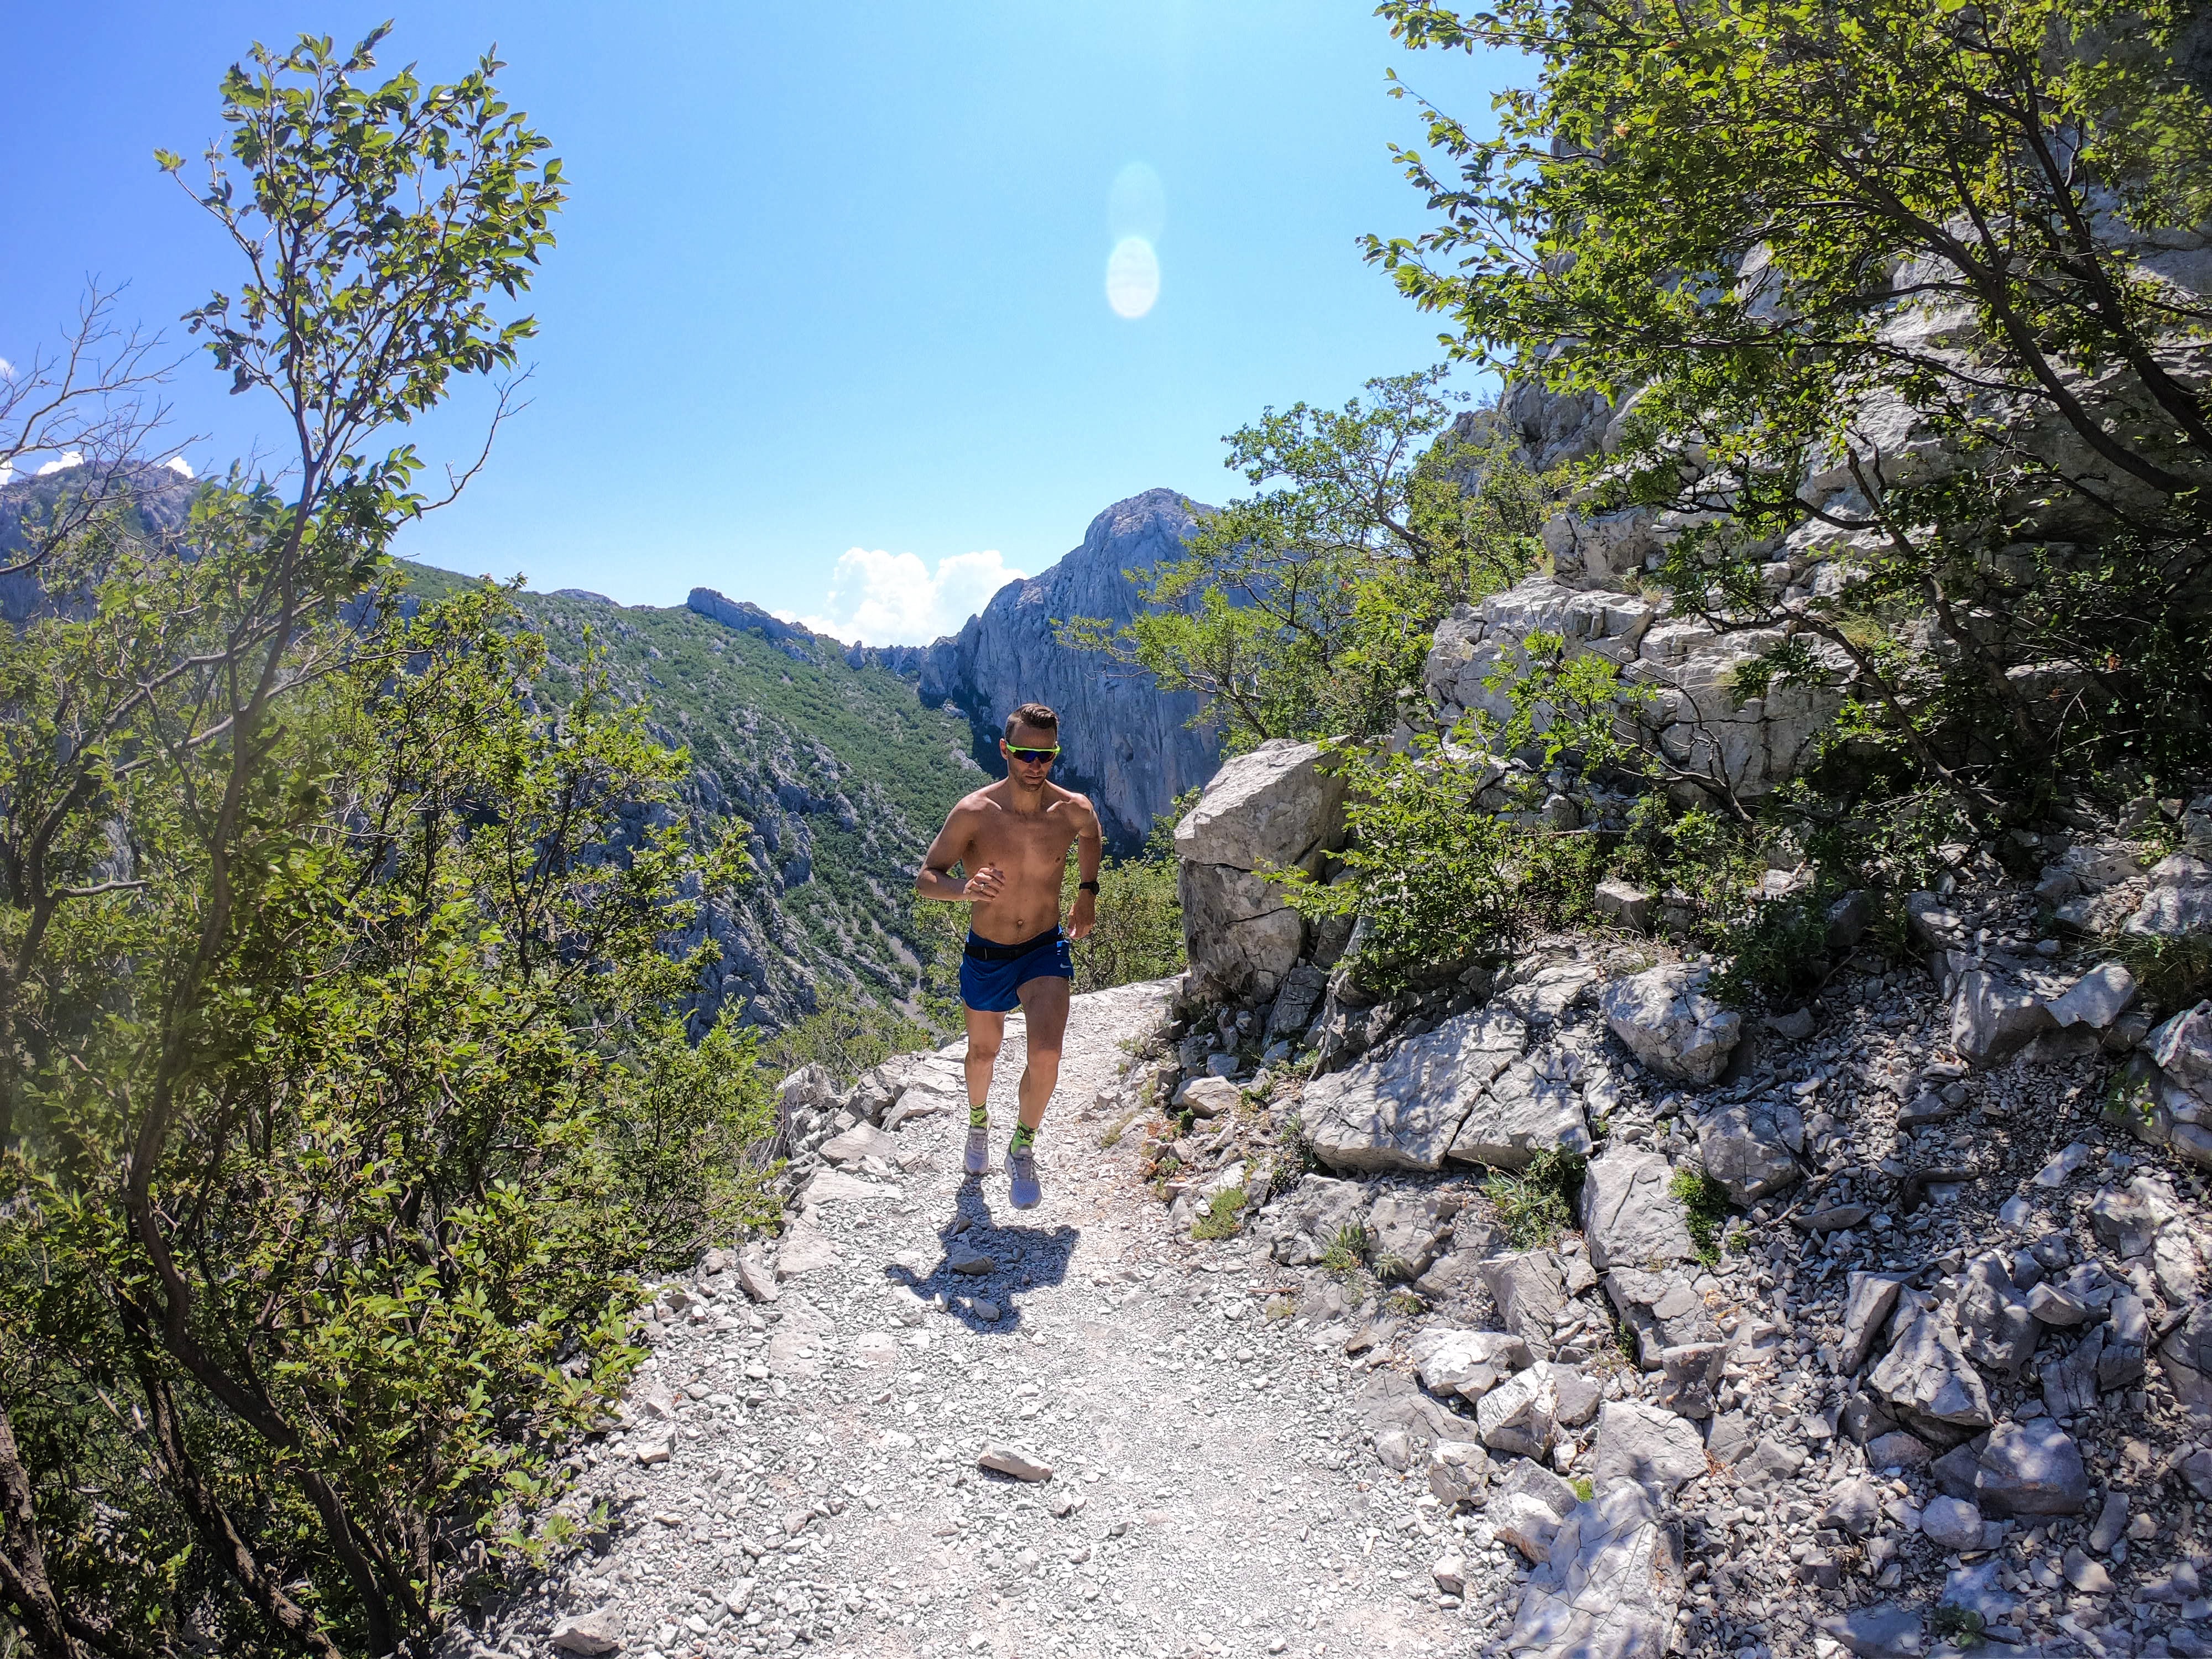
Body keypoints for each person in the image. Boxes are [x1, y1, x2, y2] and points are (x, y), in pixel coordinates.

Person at [914, 701, 1101, 1209]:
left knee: (1047, 1054)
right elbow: (927, 878)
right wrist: (965, 890)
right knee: (983, 1054)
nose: (1035, 766)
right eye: (1024, 754)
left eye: (1046, 756)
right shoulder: (974, 812)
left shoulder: (1072, 809)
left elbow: (1091, 834)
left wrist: (1087, 891)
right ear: (1005, 750)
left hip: (1043, 947)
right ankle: (978, 1124)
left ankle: (1022, 1146)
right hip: (988, 952)